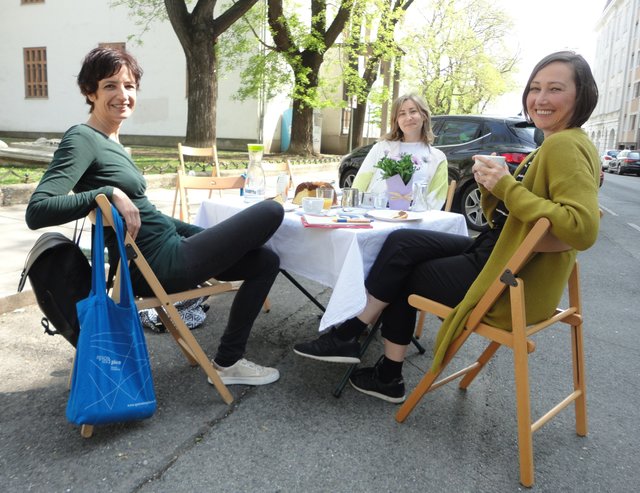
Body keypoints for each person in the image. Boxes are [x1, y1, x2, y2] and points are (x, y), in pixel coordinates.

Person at [294, 51, 601, 403]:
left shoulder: (564, 144)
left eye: (555, 89)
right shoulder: (563, 141)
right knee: (401, 243)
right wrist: (492, 189)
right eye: (535, 88)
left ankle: (382, 368)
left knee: (402, 272)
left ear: (581, 95)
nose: (541, 99)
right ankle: (352, 335)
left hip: (506, 276)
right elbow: (514, 217)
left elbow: (581, 228)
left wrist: (506, 186)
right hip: (501, 254)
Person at [25, 47, 285, 386]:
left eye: (130, 86)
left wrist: (203, 235)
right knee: (272, 210)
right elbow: (38, 209)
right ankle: (229, 364)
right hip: (159, 265)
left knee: (264, 260)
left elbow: (148, 215)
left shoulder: (112, 141)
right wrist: (107, 193)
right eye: (110, 86)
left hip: (167, 251)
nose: (123, 95)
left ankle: (228, 362)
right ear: (90, 92)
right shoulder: (82, 139)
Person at [351, 94, 449, 211]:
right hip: (376, 215)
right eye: (402, 114)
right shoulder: (381, 147)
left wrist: (420, 218)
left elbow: (436, 199)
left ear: (424, 116)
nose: (408, 118)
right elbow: (359, 184)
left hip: (415, 220)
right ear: (396, 121)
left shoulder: (438, 157)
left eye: (413, 111)